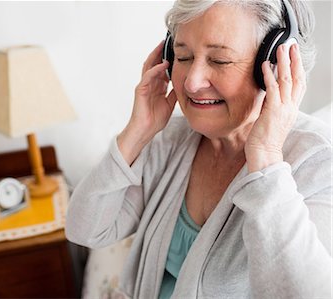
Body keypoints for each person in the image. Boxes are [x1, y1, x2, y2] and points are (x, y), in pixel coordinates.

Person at [66, 0, 332, 298]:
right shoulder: (172, 138)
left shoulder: (319, 161)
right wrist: (137, 133)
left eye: (219, 61)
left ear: (276, 63)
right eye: (183, 56)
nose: (191, 83)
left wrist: (267, 159)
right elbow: (86, 230)